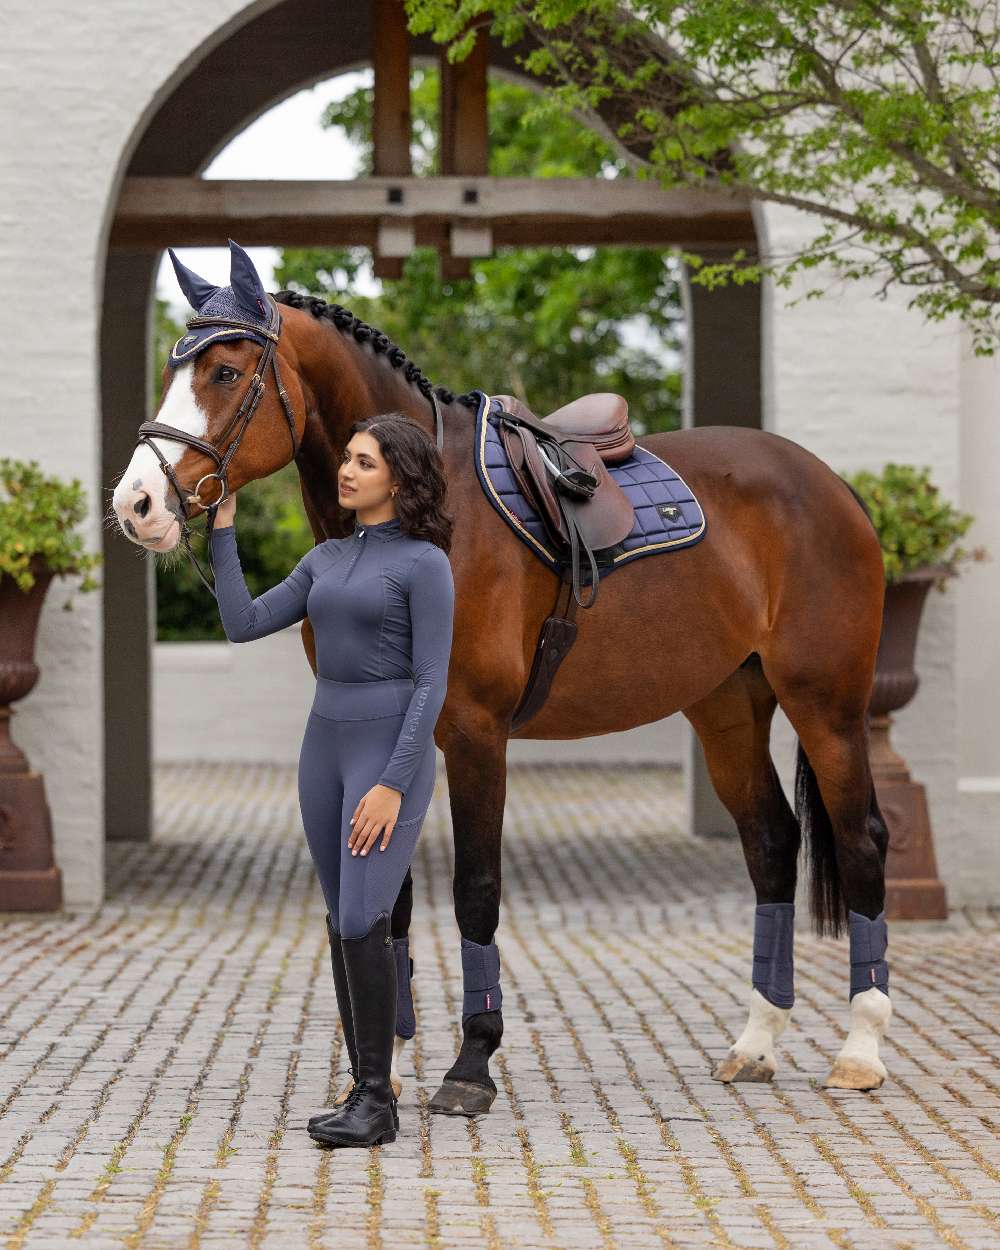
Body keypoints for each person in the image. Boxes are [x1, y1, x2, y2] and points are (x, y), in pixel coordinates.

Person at [208, 413, 455, 1149]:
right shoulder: (323, 559)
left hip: (387, 757)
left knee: (360, 920)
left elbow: (432, 682)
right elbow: (243, 623)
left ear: (401, 479)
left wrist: (393, 782)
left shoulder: (425, 564)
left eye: (365, 462)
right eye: (347, 458)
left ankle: (378, 1100)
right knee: (343, 917)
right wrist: (223, 529)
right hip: (322, 750)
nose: (347, 471)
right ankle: (365, 1089)